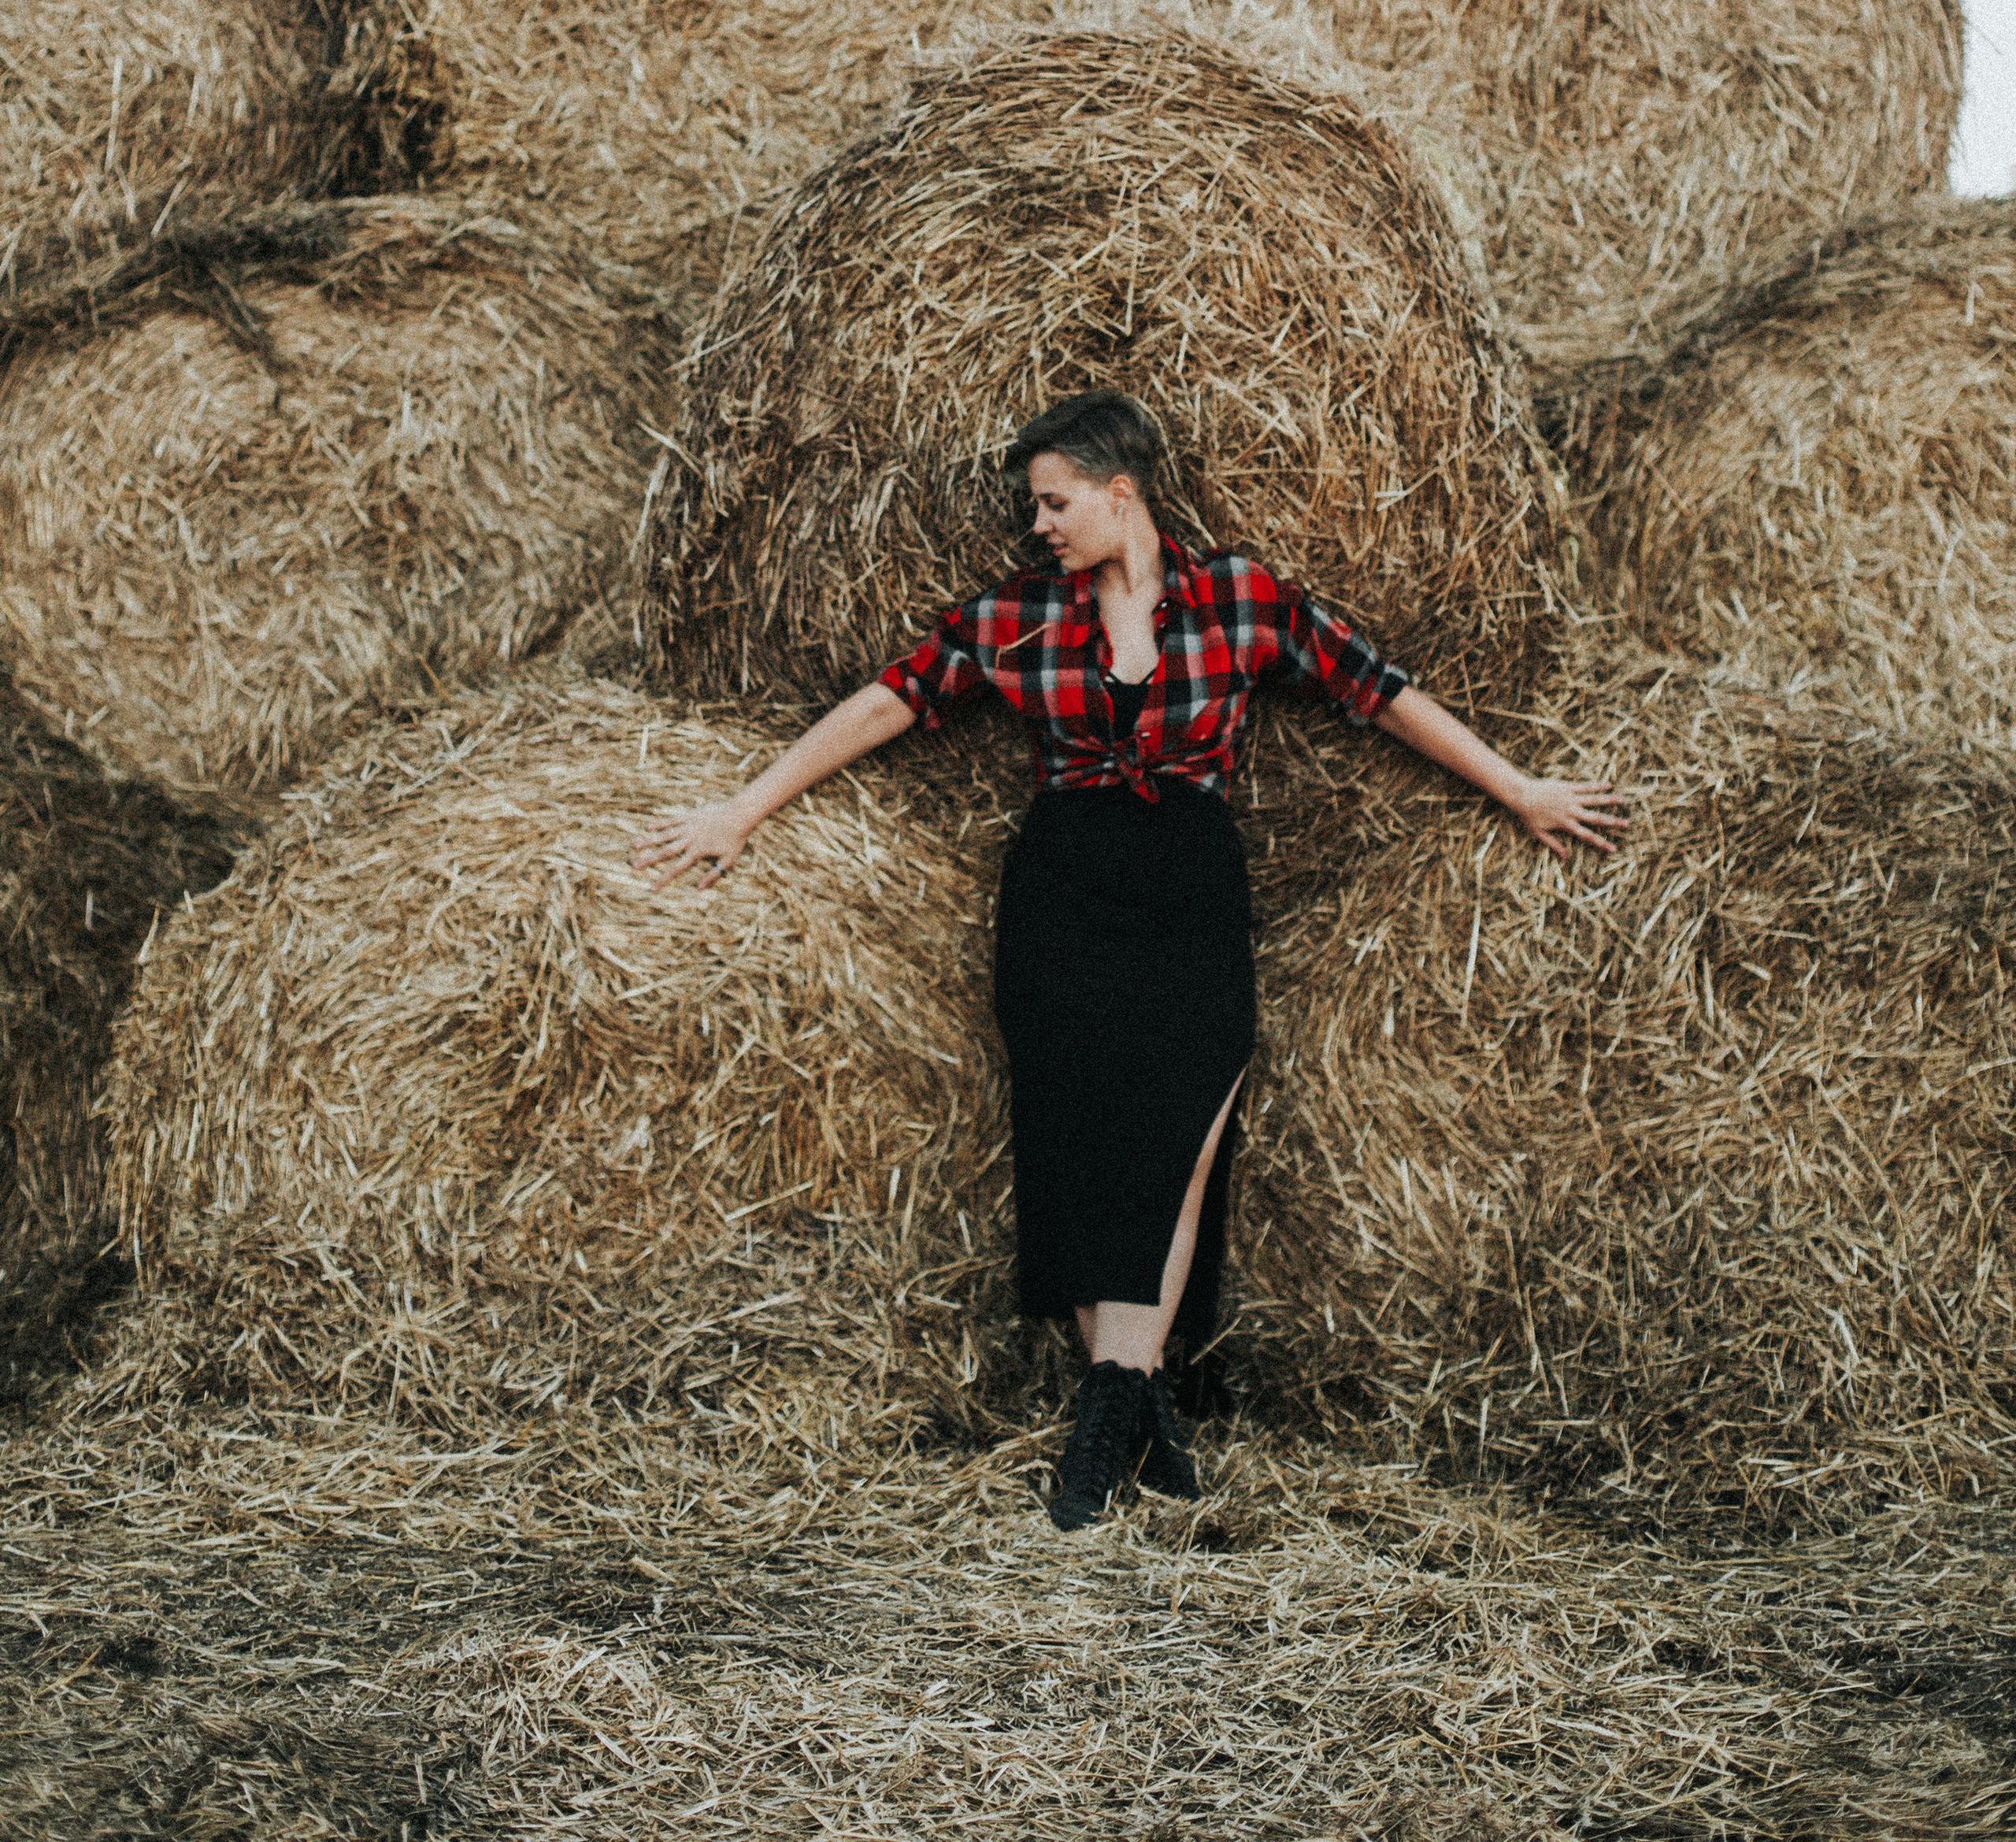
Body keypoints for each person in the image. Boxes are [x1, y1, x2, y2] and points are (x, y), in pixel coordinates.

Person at [633, 388, 1624, 1530]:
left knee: (1184, 1132)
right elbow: (891, 702)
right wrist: (743, 810)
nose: (1039, 525)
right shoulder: (1020, 615)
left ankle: (1112, 1403)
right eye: (1034, 507)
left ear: (1121, 493)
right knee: (1078, 1137)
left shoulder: (1240, 598)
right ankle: (1125, 1410)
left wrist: (1520, 789)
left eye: (1055, 503)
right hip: (1063, 887)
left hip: (1192, 880)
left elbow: (1379, 693)